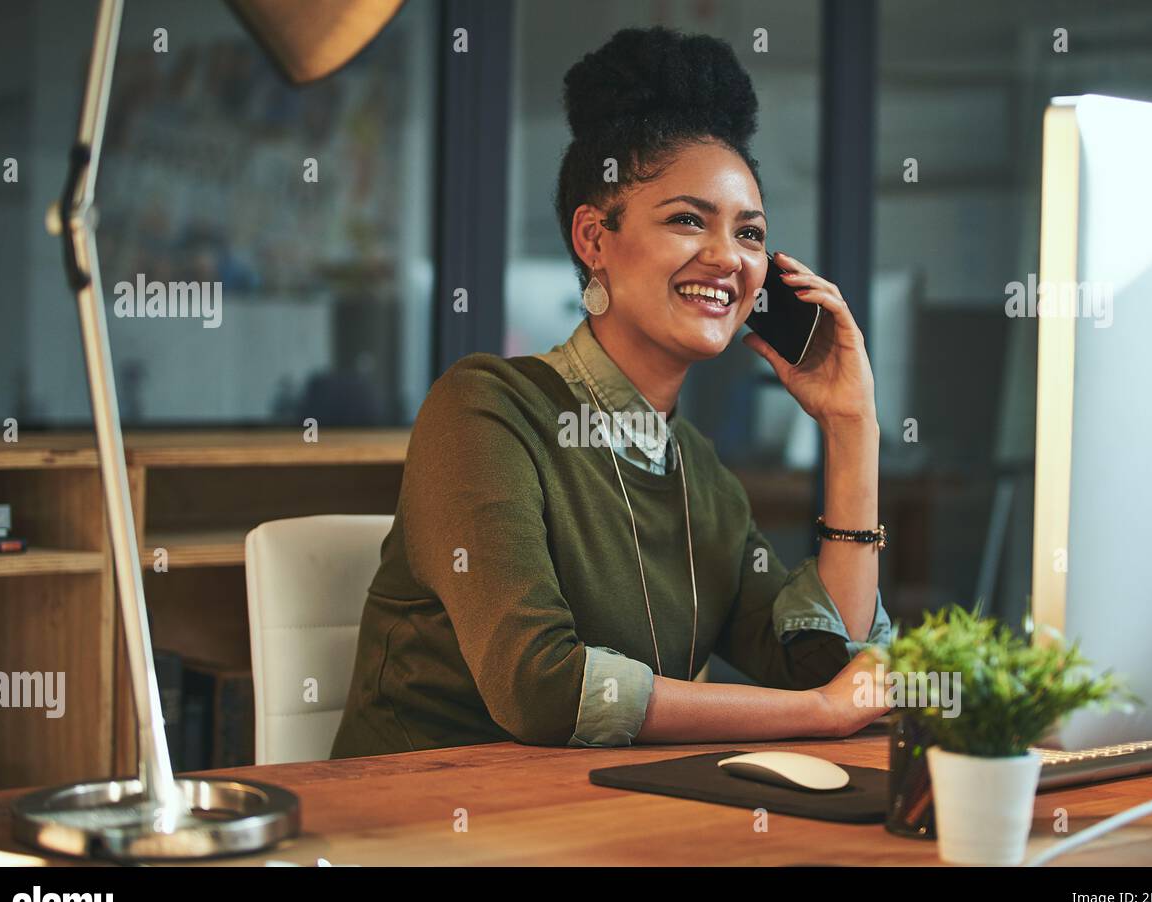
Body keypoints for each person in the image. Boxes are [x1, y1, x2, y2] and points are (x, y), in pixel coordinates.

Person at [331, 26, 894, 758]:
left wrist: (852, 430)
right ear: (594, 239)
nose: (727, 256)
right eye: (688, 220)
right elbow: (542, 686)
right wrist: (819, 713)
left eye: (750, 234)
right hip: (425, 823)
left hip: (604, 817)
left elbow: (824, 662)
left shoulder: (697, 472)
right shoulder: (483, 410)